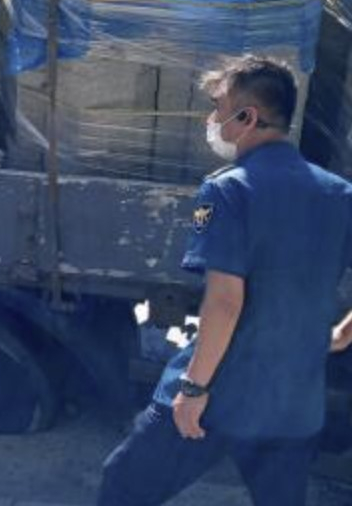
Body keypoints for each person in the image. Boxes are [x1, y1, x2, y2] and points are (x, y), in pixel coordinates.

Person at [98, 55, 352, 506]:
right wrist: (342, 334)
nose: (212, 119)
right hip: (294, 402)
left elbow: (225, 303)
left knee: (123, 486)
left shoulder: (229, 190)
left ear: (247, 117)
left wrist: (193, 390)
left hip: (222, 393)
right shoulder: (339, 193)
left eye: (219, 107)